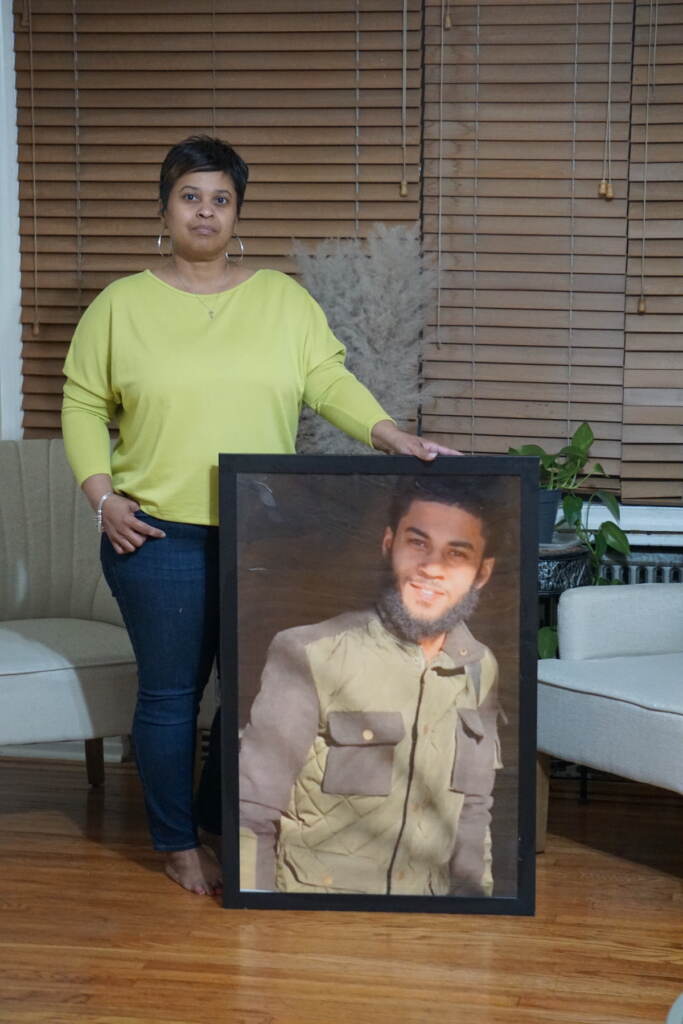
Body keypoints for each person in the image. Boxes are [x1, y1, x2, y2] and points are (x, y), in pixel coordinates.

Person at [61, 135, 457, 897]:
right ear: (164, 209)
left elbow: (326, 380)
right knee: (173, 695)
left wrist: (389, 433)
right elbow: (81, 403)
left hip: (262, 532)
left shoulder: (281, 300)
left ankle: (222, 822)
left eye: (220, 199)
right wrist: (102, 497)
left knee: (246, 693)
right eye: (190, 196)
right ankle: (176, 845)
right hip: (156, 536)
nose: (204, 211)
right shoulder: (121, 304)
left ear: (237, 215)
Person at [239, 476, 504, 897]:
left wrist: (475, 917)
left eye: (457, 554)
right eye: (417, 543)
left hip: (426, 922)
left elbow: (474, 811)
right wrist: (256, 929)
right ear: (388, 544)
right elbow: (251, 815)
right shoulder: (308, 652)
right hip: (319, 915)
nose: (432, 567)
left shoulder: (480, 667)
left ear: (481, 573)